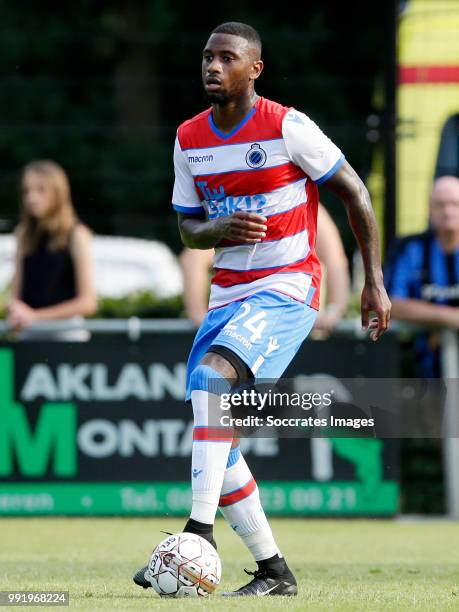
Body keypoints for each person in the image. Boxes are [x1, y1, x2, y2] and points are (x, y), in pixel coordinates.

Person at [134, 22, 390, 597]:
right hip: (227, 295)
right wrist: (217, 228)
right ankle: (275, 571)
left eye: (227, 58)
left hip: (287, 287)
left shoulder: (287, 126)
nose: (213, 67)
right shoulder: (188, 138)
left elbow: (355, 190)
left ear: (255, 70)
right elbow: (188, 228)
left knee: (211, 380)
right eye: (207, 57)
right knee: (213, 425)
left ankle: (196, 534)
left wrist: (373, 281)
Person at [180, 203, 350, 331]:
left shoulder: (308, 207)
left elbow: (335, 262)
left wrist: (332, 313)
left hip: (299, 330)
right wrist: (201, 320)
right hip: (238, 332)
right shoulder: (237, 209)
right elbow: (193, 260)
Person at [7, 160, 97, 339]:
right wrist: (15, 308)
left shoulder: (76, 234)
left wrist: (35, 316)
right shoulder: (23, 234)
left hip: (66, 336)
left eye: (40, 190)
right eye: (26, 191)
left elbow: (88, 303)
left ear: (58, 193)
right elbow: (16, 293)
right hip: (30, 335)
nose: (31, 198)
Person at [385, 175, 459, 376]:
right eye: (440, 205)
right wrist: (450, 320)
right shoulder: (409, 248)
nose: (448, 211)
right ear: (429, 210)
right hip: (418, 369)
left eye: (454, 204)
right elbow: (391, 304)